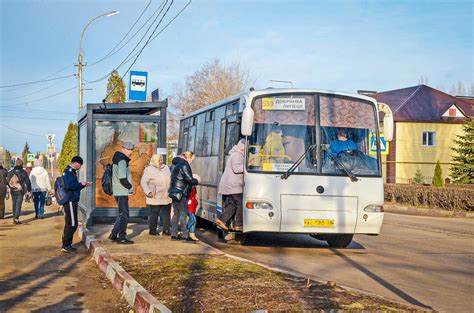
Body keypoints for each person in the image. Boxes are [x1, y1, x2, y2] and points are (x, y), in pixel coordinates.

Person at [61, 156, 91, 253]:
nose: (80, 167)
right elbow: (70, 186)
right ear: (76, 163)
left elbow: (74, 186)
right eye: (80, 165)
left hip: (72, 199)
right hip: (70, 200)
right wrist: (81, 184)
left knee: (70, 223)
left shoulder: (71, 172)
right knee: (73, 224)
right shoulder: (69, 172)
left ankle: (66, 244)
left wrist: (83, 185)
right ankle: (66, 245)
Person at [168, 151, 199, 242]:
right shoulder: (185, 165)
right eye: (192, 160)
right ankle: (185, 235)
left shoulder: (177, 164)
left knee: (176, 214)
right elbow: (189, 179)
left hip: (175, 192)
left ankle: (174, 234)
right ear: (188, 158)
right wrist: (196, 181)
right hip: (181, 193)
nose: (192, 162)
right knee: (183, 214)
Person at [216, 138, 245, 232]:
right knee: (240, 203)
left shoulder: (236, 154)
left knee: (232, 204)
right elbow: (236, 169)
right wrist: (249, 165)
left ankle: (221, 220)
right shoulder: (238, 155)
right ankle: (238, 225)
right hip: (233, 185)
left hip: (229, 185)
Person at [109, 142, 135, 244]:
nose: (131, 152)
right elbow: (122, 177)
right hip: (122, 191)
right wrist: (129, 187)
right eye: (129, 149)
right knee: (124, 215)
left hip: (118, 191)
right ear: (123, 149)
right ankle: (122, 237)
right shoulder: (122, 160)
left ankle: (113, 234)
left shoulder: (118, 159)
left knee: (121, 214)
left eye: (132, 150)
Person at [140, 154, 172, 236]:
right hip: (154, 196)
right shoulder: (149, 169)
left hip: (166, 195)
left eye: (161, 160)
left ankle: (166, 230)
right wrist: (148, 192)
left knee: (166, 214)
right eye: (159, 160)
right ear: (154, 161)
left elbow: (170, 178)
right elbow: (143, 182)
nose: (161, 162)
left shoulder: (166, 168)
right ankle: (153, 231)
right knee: (154, 214)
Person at [7, 159, 31, 224]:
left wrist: (11, 187)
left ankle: (14, 217)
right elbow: (27, 181)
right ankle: (16, 218)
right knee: (18, 204)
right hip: (20, 191)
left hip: (13, 191)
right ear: (21, 164)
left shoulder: (11, 172)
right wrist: (29, 189)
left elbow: (7, 181)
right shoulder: (23, 172)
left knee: (14, 204)